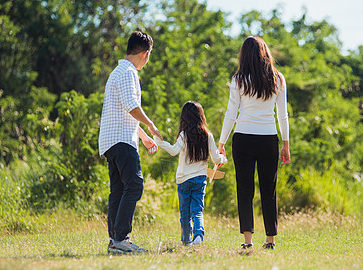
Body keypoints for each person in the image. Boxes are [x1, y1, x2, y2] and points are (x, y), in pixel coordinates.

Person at [218, 36, 290, 250]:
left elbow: (231, 114)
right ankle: (270, 240)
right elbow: (282, 115)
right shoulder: (278, 79)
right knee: (269, 190)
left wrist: (222, 142)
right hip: (269, 139)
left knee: (245, 190)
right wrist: (285, 143)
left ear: (244, 55)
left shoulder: (238, 79)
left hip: (243, 139)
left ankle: (248, 241)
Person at [99, 31, 162, 254]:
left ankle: (114, 241)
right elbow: (130, 105)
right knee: (134, 185)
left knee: (118, 191)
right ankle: (121, 239)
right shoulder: (129, 72)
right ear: (145, 54)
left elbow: (121, 112)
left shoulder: (116, 72)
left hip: (111, 140)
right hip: (122, 141)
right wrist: (151, 125)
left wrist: (143, 137)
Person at [153, 101, 227, 245]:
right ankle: (198, 237)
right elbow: (216, 158)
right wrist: (223, 158)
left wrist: (158, 140)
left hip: (183, 180)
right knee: (197, 210)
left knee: (185, 213)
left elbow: (174, 151)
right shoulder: (208, 135)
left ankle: (186, 241)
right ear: (201, 116)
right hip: (200, 178)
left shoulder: (183, 135)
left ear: (184, 117)